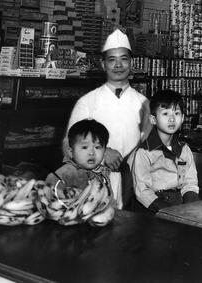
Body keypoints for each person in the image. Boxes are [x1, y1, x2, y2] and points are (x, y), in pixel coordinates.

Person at [63, 28, 151, 208]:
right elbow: (68, 148)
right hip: (92, 188)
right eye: (112, 60)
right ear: (103, 65)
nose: (118, 65)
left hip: (133, 190)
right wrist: (102, 154)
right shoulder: (87, 102)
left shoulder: (144, 104)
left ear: (131, 63)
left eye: (123, 59)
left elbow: (150, 147)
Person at [130, 89, 199, 213]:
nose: (172, 119)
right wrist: (167, 212)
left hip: (180, 204)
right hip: (154, 207)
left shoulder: (184, 150)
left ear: (183, 118)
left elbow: (190, 182)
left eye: (177, 113)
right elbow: (142, 191)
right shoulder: (144, 152)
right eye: (165, 114)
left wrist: (189, 207)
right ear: (153, 119)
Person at [46, 119, 112, 192]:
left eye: (97, 147)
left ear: (105, 151)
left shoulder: (105, 173)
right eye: (84, 147)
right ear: (71, 152)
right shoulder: (66, 173)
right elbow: (50, 193)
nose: (91, 153)